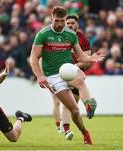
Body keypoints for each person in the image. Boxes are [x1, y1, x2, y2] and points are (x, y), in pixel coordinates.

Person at [30, 6, 105, 145]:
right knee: (74, 110)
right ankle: (85, 132)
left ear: (65, 19)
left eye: (62, 21)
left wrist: (91, 58)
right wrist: (40, 76)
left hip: (68, 69)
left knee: (81, 79)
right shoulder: (43, 34)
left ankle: (89, 104)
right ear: (52, 18)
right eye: (56, 20)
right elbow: (33, 57)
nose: (59, 24)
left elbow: (80, 56)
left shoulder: (71, 35)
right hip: (53, 76)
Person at [52, 14, 97, 140]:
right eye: (68, 23)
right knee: (66, 103)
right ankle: (67, 130)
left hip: (74, 72)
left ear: (77, 24)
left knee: (73, 109)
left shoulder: (83, 39)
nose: (70, 25)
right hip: (60, 73)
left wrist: (73, 67)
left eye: (72, 23)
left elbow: (86, 61)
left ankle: (80, 126)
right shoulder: (58, 37)